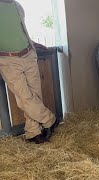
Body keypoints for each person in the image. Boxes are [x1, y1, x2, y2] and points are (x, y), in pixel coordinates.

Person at [0, 0, 59, 144]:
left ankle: (33, 132)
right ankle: (50, 120)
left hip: (29, 54)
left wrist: (32, 43)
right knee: (25, 98)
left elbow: (18, 30)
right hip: (8, 60)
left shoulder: (17, 6)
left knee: (35, 96)